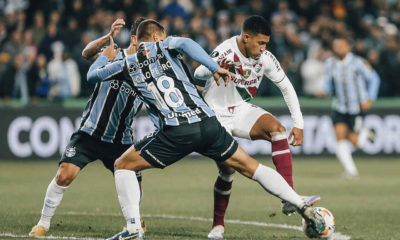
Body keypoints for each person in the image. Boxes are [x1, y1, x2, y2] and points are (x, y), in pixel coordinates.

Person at [87, 19, 326, 240]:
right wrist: (213, 67)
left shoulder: (126, 63)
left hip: (177, 130)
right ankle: (299, 203)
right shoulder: (169, 46)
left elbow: (92, 76)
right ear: (159, 36)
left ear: (139, 40)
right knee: (251, 166)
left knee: (123, 164)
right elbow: (188, 45)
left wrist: (104, 57)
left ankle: (132, 228)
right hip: (208, 121)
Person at [193, 15, 320, 239]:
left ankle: (288, 199)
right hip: (216, 115)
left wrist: (298, 124)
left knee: (277, 128)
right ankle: (218, 226)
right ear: (246, 37)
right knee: (228, 170)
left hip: (241, 109)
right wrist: (214, 66)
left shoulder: (266, 58)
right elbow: (198, 75)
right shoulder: (225, 50)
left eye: (266, 44)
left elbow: (287, 88)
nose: (263, 48)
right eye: (260, 43)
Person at [29, 18, 148, 237]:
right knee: (65, 174)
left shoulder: (149, 72)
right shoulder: (113, 53)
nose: (152, 46)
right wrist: (107, 37)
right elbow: (86, 54)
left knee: (134, 185)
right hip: (90, 132)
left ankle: (135, 219)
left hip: (120, 140)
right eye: (148, 40)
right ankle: (43, 223)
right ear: (135, 39)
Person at [319, 38, 380, 179]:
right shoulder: (330, 64)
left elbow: (374, 79)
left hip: (356, 107)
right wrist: (323, 90)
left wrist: (370, 98)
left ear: (348, 47)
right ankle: (351, 171)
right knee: (339, 138)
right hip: (339, 106)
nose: (338, 48)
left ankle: (366, 132)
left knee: (356, 142)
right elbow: (328, 83)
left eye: (341, 45)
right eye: (336, 46)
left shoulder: (358, 62)